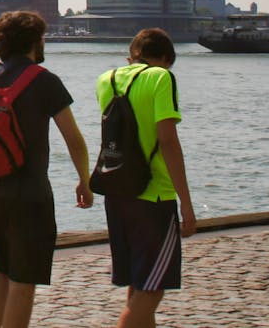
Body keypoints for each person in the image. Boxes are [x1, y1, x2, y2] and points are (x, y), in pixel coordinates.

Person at [0, 11, 93, 328]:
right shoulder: (44, 81)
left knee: (2, 270)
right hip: (29, 195)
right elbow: (74, 139)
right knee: (24, 280)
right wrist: (84, 180)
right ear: (34, 40)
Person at [95, 28, 196, 328]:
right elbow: (167, 141)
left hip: (117, 191)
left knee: (139, 286)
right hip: (154, 196)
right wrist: (186, 205)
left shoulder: (107, 79)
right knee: (152, 290)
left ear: (132, 55)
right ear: (166, 59)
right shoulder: (160, 77)